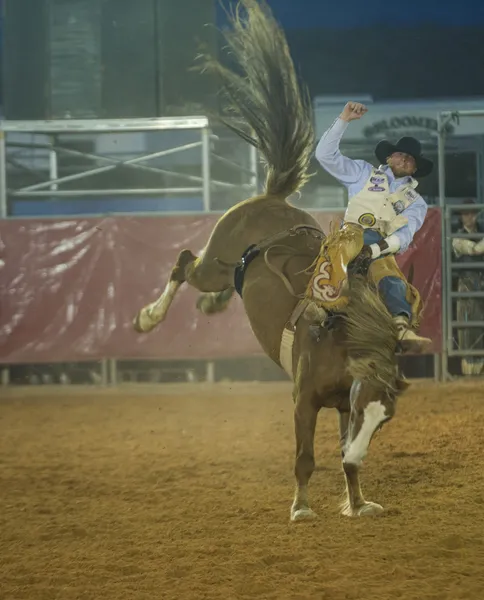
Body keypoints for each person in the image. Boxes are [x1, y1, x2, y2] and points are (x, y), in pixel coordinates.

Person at [315, 101, 433, 351]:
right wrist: (343, 120)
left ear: (416, 168)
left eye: (411, 158)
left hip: (382, 245)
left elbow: (405, 235)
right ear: (389, 157)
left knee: (389, 275)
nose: (405, 158)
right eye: (400, 153)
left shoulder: (416, 202)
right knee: (334, 258)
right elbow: (325, 155)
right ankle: (317, 306)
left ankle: (400, 326)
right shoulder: (362, 173)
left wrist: (375, 250)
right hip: (351, 233)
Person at [452, 199, 484, 374]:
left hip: (482, 282)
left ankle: (481, 369)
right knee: (468, 326)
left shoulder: (481, 232)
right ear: (461, 217)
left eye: (471, 213)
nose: (469, 217)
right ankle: (470, 370)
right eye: (465, 213)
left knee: (481, 325)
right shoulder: (457, 237)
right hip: (466, 285)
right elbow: (475, 250)